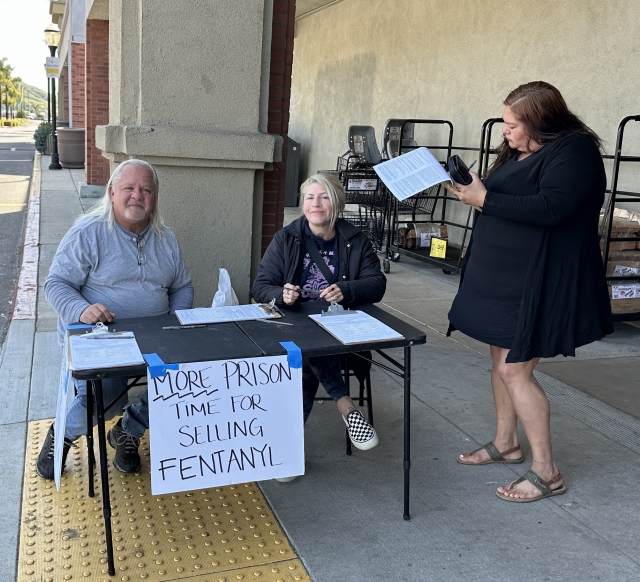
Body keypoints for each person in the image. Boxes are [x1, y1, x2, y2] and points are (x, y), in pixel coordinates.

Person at [446, 81, 613, 502]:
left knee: (514, 370)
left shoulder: (575, 151)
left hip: (539, 278)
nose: (506, 131)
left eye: (514, 124)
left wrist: (484, 199)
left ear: (542, 121)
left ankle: (547, 471)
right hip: (501, 279)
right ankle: (506, 443)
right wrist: (475, 188)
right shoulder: (524, 149)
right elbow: (505, 193)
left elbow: (551, 208)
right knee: (499, 359)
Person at [36, 159, 194, 480]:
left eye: (146, 190)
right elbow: (56, 284)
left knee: (187, 380)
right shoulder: (88, 232)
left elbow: (182, 286)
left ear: (155, 197)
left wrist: (176, 320)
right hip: (101, 337)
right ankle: (62, 435)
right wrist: (82, 309)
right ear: (111, 192)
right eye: (129, 188)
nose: (137, 196)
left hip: (155, 336)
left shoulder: (167, 239)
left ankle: (128, 429)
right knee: (104, 398)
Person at [251, 173, 386, 461]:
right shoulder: (286, 237)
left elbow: (377, 284)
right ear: (303, 203)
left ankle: (286, 450)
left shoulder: (355, 240)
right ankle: (346, 405)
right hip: (293, 326)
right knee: (308, 346)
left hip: (340, 329)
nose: (316, 204)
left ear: (336, 203)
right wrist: (282, 295)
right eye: (310, 197)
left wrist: (347, 289)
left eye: (324, 197)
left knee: (309, 352)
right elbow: (260, 286)